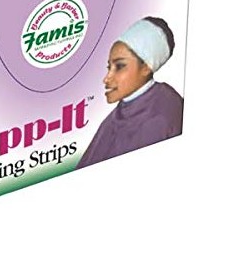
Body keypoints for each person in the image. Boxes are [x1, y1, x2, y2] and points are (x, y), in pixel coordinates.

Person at [77, 16, 183, 169]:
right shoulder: (114, 119)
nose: (106, 78)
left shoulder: (159, 119)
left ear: (146, 67)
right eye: (109, 67)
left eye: (120, 66)